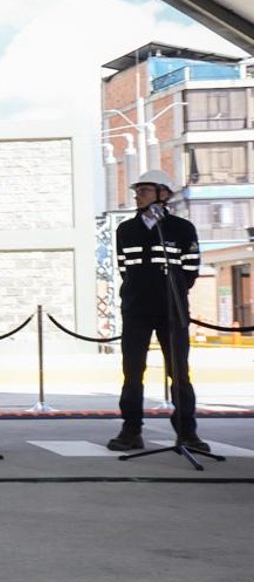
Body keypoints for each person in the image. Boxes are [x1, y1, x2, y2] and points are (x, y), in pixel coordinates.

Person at [107, 169, 208, 452]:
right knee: (132, 371)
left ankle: (187, 432)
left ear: (163, 194)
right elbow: (124, 268)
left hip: (172, 310)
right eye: (137, 191)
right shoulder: (125, 230)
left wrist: (174, 290)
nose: (137, 195)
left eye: (144, 190)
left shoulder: (182, 228)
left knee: (179, 372)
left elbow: (190, 270)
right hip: (137, 309)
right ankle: (131, 430)